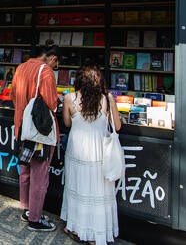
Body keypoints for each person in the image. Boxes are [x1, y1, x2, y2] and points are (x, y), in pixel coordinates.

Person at [61, 65, 121, 245]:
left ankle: (76, 227)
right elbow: (117, 126)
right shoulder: (107, 99)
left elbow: (67, 123)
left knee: (78, 188)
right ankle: (97, 234)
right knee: (98, 191)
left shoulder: (69, 99)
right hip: (99, 152)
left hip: (77, 150)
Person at [9, 44, 61, 232]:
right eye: (57, 63)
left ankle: (27, 209)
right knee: (40, 176)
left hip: (21, 130)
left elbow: (13, 97)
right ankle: (35, 218)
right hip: (40, 134)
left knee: (25, 172)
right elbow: (52, 103)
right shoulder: (46, 72)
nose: (56, 67)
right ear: (52, 58)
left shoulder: (20, 68)